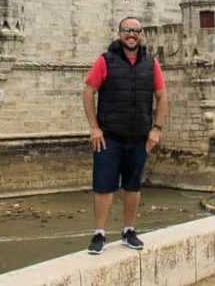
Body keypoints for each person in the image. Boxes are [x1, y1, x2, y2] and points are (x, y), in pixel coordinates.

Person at [82, 16, 168, 255]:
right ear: (119, 33)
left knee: (132, 185)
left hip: (140, 136)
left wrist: (157, 129)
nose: (132, 35)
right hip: (109, 136)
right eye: (127, 30)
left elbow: (162, 96)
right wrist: (94, 127)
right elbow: (89, 92)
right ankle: (99, 233)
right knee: (104, 186)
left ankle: (128, 231)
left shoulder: (151, 63)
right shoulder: (105, 61)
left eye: (136, 31)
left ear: (141, 35)